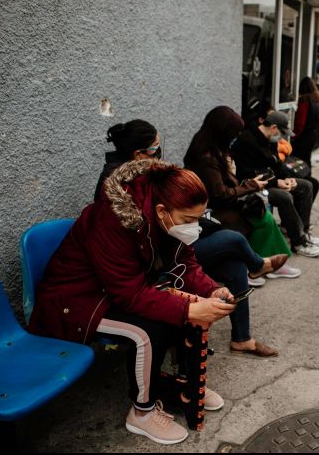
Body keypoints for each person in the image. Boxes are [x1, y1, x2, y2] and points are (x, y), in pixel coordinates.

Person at [29, 160, 235, 445]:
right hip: (75, 300)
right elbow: (130, 294)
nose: (194, 227)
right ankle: (142, 413)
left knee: (179, 313)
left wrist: (212, 291)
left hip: (113, 289)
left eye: (198, 219)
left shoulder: (167, 214)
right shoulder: (111, 219)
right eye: (188, 219)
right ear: (161, 211)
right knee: (147, 332)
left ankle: (185, 386)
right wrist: (190, 308)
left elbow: (186, 265)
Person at [95, 120, 287, 356]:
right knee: (233, 239)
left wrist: (213, 290)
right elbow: (132, 286)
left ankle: (242, 338)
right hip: (146, 268)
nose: (159, 153)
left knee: (235, 265)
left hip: (160, 254)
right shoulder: (118, 199)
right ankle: (257, 266)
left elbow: (183, 256)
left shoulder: (158, 183)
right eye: (155, 148)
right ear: (138, 154)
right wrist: (189, 309)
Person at [184, 106, 304, 286]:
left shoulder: (213, 149)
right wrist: (251, 186)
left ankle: (266, 263)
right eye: (233, 135)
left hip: (219, 203)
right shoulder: (206, 157)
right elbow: (220, 195)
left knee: (263, 213)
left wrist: (249, 185)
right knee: (260, 216)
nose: (235, 138)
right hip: (210, 210)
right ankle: (256, 265)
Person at [232, 110, 319, 257]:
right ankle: (299, 243)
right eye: (281, 133)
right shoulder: (247, 141)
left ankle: (303, 233)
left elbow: (276, 164)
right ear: (273, 128)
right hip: (251, 186)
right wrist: (276, 182)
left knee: (307, 186)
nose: (282, 137)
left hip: (270, 181)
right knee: (284, 197)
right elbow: (249, 174)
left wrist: (287, 178)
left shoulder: (270, 140)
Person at [291, 77, 319, 168]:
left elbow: (300, 123)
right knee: (307, 159)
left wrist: (293, 135)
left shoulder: (304, 101)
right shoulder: (318, 100)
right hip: (313, 135)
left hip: (303, 136)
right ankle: (308, 176)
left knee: (297, 161)